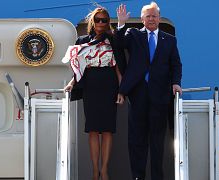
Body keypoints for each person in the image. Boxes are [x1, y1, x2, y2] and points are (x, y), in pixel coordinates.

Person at [116, 2, 182, 180]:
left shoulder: (169, 39)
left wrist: (176, 83)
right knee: (137, 140)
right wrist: (121, 24)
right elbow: (119, 43)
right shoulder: (134, 34)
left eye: (154, 16)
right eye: (148, 16)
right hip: (138, 95)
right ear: (142, 19)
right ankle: (138, 176)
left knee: (157, 142)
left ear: (159, 18)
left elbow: (176, 64)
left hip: (160, 96)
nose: (151, 19)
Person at [64, 6, 126, 180]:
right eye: (97, 19)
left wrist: (122, 91)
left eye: (104, 20)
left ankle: (104, 170)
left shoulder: (113, 40)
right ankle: (94, 170)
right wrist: (71, 83)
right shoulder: (82, 40)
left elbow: (118, 67)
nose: (100, 23)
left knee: (107, 130)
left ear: (108, 23)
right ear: (93, 21)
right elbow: (78, 68)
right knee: (92, 130)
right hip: (90, 86)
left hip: (109, 85)